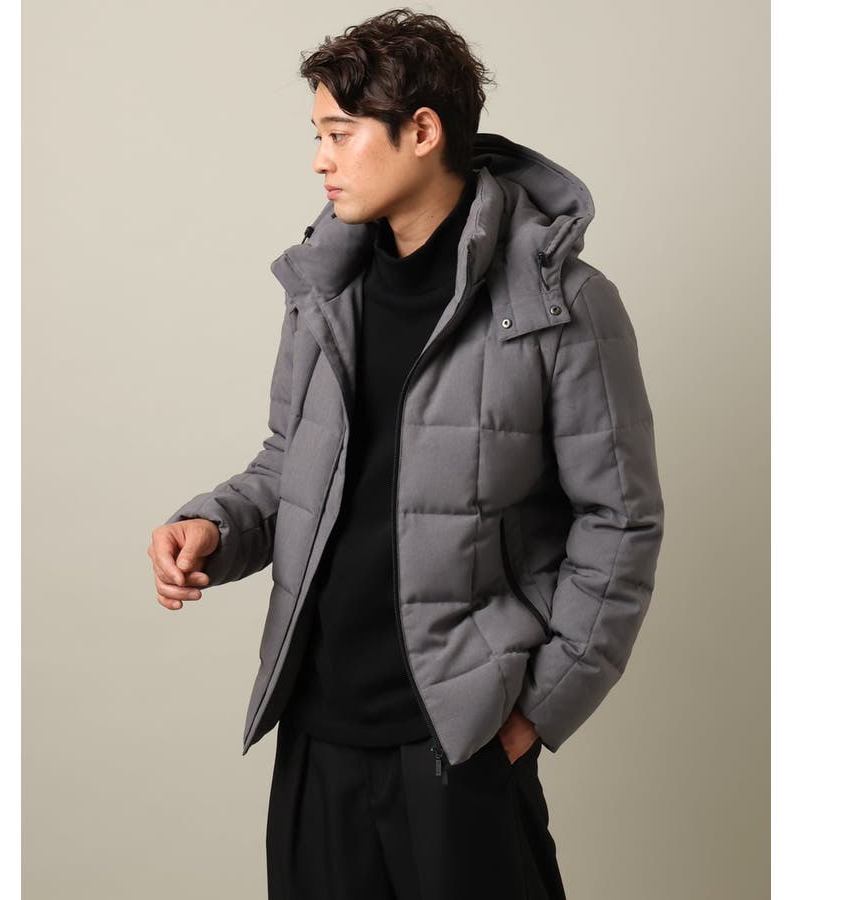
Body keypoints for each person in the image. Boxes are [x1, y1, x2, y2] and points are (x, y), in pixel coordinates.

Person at [147, 8, 664, 899]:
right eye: (317, 136)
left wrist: (538, 709)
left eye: (341, 134)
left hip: (457, 736)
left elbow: (620, 521)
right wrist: (214, 527)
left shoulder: (562, 305)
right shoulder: (323, 289)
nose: (321, 160)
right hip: (317, 725)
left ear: (423, 132)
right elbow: (291, 465)